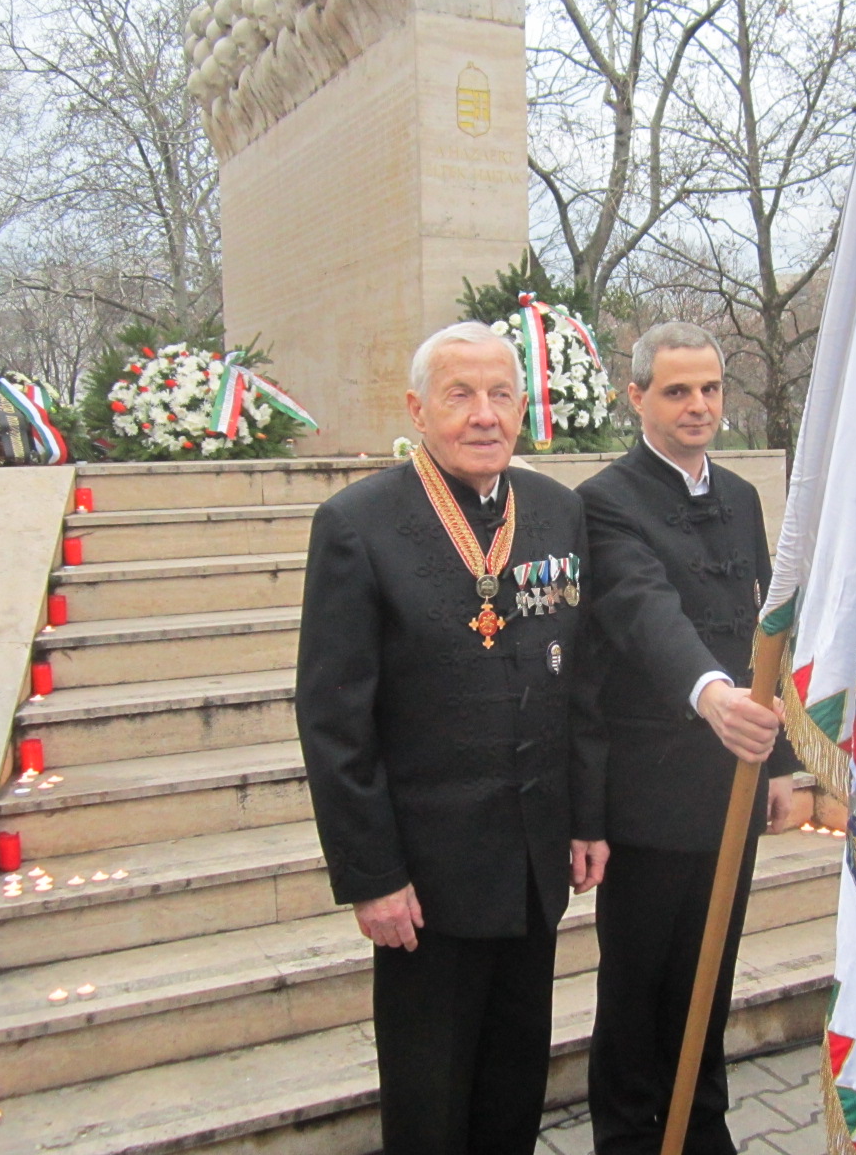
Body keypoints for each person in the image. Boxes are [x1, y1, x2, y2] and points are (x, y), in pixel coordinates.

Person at [295, 321, 610, 1155]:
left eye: (500, 394)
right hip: (427, 885)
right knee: (430, 1103)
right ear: (417, 409)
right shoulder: (358, 525)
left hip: (534, 865)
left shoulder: (556, 510)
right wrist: (374, 876)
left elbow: (578, 681)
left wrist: (585, 817)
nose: (483, 415)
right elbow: (334, 720)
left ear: (522, 408)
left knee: (514, 1091)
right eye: (459, 395)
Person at [578, 322, 799, 1155]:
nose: (698, 405)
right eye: (677, 390)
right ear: (637, 398)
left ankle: (702, 1133)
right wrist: (711, 696)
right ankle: (633, 1140)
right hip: (650, 792)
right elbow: (644, 613)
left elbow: (759, 630)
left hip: (733, 786)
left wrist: (775, 758)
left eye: (709, 388)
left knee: (711, 978)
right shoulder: (606, 500)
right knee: (640, 991)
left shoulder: (740, 496)